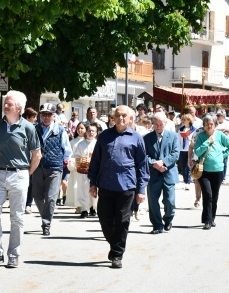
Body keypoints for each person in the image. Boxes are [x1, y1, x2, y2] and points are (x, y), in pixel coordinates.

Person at [0, 90, 41, 269]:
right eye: (5, 103)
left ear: (19, 109)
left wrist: (26, 173)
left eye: (9, 104)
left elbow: (37, 154)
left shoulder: (28, 128)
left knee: (17, 217)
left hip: (19, 174)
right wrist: (0, 168)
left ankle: (13, 254)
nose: (5, 106)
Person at [87, 105, 149, 268]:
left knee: (122, 220)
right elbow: (96, 161)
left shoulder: (136, 138)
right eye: (118, 115)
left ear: (130, 119)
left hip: (127, 185)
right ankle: (115, 244)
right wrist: (92, 183)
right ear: (113, 118)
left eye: (124, 116)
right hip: (106, 185)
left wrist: (141, 189)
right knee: (104, 219)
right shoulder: (104, 136)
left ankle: (117, 254)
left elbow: (142, 165)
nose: (121, 118)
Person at [31, 103, 72, 236]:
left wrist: (63, 163)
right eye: (44, 115)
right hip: (37, 166)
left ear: (54, 116)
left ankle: (46, 223)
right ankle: (46, 215)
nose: (46, 117)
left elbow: (67, 149)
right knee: (37, 196)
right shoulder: (34, 129)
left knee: (51, 197)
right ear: (41, 116)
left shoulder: (60, 130)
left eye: (49, 115)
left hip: (54, 167)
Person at [193, 113, 229, 230]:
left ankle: (212, 218)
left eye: (211, 124)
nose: (209, 126)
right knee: (207, 195)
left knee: (215, 196)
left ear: (215, 125)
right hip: (204, 171)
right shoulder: (201, 136)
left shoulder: (220, 135)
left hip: (218, 170)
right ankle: (207, 220)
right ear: (204, 125)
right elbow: (197, 151)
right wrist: (208, 142)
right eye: (207, 124)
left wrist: (223, 154)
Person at [144, 112, 179, 234]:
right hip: (153, 174)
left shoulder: (173, 136)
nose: (158, 126)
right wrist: (155, 163)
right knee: (153, 201)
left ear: (165, 123)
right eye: (156, 124)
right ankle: (157, 225)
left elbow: (175, 154)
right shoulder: (147, 138)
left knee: (169, 201)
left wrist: (163, 163)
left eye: (161, 124)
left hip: (168, 172)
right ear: (153, 123)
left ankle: (168, 219)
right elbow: (144, 156)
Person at [70, 124, 98, 218]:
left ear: (96, 133)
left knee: (93, 189)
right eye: (89, 131)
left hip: (94, 171)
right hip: (83, 170)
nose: (91, 133)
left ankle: (93, 208)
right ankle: (84, 209)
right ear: (86, 132)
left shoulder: (98, 144)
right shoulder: (81, 144)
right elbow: (75, 156)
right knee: (83, 189)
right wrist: (80, 160)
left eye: (93, 131)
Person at [65, 122, 87, 212]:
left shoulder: (87, 141)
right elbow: (70, 154)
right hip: (75, 168)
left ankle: (85, 205)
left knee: (84, 187)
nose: (80, 130)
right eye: (78, 128)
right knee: (76, 187)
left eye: (82, 128)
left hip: (85, 167)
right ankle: (78, 205)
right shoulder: (72, 142)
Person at [22, 107, 39, 214]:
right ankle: (22, 202)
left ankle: (28, 203)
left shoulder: (35, 129)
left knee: (31, 182)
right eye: (34, 117)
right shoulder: (20, 128)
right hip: (22, 158)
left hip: (31, 158)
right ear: (27, 118)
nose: (36, 119)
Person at [177, 114, 195, 190]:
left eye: (185, 120)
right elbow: (178, 139)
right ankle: (185, 181)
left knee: (189, 165)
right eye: (183, 120)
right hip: (182, 149)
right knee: (183, 165)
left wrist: (189, 138)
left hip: (189, 149)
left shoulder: (193, 129)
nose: (183, 121)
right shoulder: (181, 129)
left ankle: (188, 181)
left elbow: (195, 140)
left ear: (189, 120)